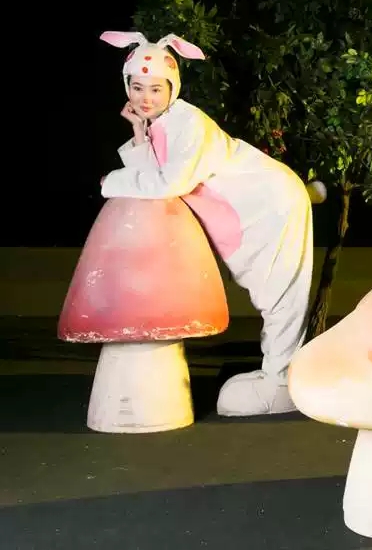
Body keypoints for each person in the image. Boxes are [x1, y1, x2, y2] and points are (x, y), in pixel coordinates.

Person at [98, 30, 324, 417]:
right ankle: (278, 374)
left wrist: (112, 181)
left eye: (156, 88)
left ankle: (281, 381)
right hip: (256, 207)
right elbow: (156, 179)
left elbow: (169, 183)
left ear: (173, 88)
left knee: (280, 293)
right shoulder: (163, 124)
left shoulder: (189, 123)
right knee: (272, 294)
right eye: (137, 87)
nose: (146, 98)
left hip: (271, 203)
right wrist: (137, 132)